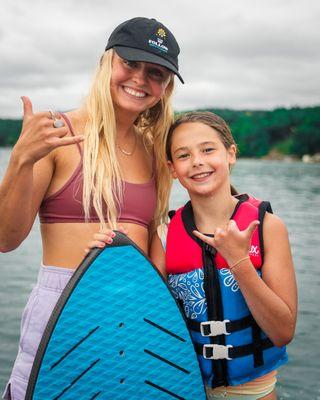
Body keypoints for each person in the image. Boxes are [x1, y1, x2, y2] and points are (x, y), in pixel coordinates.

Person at [0, 17, 183, 399]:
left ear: (165, 88)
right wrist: (21, 160)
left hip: (135, 312)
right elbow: (6, 239)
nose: (140, 79)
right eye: (130, 63)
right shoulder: (60, 134)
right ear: (106, 63)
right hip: (63, 307)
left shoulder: (153, 151)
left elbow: (152, 244)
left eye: (156, 73)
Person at [92, 111, 297, 399]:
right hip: (182, 389)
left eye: (208, 149)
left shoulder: (267, 228)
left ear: (231, 154)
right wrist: (115, 257)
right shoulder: (163, 236)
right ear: (172, 168)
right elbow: (140, 318)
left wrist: (239, 261)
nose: (198, 161)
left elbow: (282, 332)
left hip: (254, 393)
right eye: (184, 155)